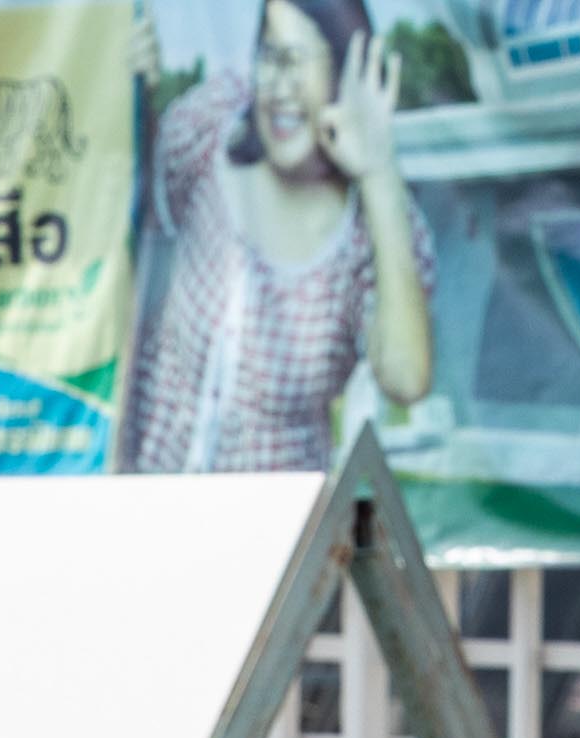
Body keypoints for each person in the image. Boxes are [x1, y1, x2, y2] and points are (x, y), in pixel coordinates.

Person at [122, 0, 434, 475]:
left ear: (348, 76)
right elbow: (128, 212)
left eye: (297, 62)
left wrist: (378, 170)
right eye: (269, 57)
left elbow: (407, 377)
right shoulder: (211, 131)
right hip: (144, 499)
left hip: (270, 530)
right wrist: (130, 93)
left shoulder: (373, 224)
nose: (279, 88)